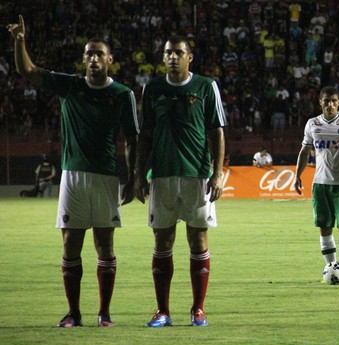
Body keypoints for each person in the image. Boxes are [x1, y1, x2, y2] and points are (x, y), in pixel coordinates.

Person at [9, 16, 139, 327]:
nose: (94, 59)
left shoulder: (123, 94)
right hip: (73, 177)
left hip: (106, 177)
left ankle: (104, 313)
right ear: (83, 60)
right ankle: (74, 312)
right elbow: (26, 70)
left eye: (99, 54)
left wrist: (132, 178)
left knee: (105, 246)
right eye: (88, 54)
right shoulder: (70, 85)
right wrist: (19, 41)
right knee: (70, 244)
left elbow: (133, 140)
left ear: (110, 60)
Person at [134, 35, 226, 327]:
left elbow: (216, 131)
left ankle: (198, 310)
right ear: (163, 58)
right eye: (167, 52)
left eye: (178, 52)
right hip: (162, 175)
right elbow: (145, 135)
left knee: (198, 240)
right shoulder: (153, 89)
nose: (172, 56)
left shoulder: (206, 86)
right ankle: (163, 311)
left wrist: (219, 172)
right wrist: (138, 174)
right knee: (162, 240)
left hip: (197, 174)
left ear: (190, 57)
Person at [294, 86, 339, 282]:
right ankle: (332, 268)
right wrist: (297, 175)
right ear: (320, 102)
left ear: (338, 102)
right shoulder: (312, 124)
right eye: (326, 101)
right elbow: (304, 151)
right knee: (324, 227)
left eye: (334, 100)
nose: (330, 104)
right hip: (320, 184)